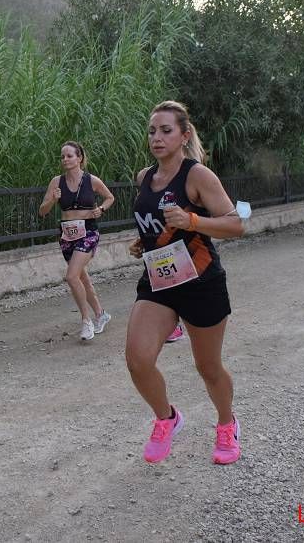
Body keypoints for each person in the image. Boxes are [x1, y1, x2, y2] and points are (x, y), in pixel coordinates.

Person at [125, 100, 245, 466]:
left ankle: (227, 424)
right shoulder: (145, 177)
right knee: (137, 359)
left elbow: (235, 224)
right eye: (152, 131)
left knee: (207, 367)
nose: (157, 138)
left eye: (166, 131)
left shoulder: (198, 176)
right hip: (159, 282)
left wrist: (192, 221)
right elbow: (156, 222)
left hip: (201, 283)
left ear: (184, 135)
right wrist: (142, 239)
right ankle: (167, 418)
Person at [38, 141, 115, 342]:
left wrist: (101, 210)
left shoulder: (92, 180)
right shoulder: (57, 182)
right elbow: (42, 211)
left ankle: (86, 321)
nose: (65, 159)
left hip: (88, 232)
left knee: (72, 276)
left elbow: (110, 197)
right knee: (82, 279)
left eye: (69, 156)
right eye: (62, 156)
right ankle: (101, 315)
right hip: (67, 235)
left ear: (79, 158)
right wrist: (52, 200)